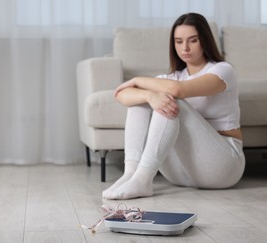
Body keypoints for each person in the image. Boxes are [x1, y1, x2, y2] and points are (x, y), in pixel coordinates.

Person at [102, 12, 245, 200]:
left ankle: (143, 179)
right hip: (180, 173)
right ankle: (132, 174)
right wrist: (148, 95)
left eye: (192, 40)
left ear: (205, 40)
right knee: (145, 100)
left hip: (223, 167)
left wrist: (137, 80)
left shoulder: (222, 70)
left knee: (168, 99)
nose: (185, 47)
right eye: (178, 41)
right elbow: (121, 94)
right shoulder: (172, 77)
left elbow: (178, 90)